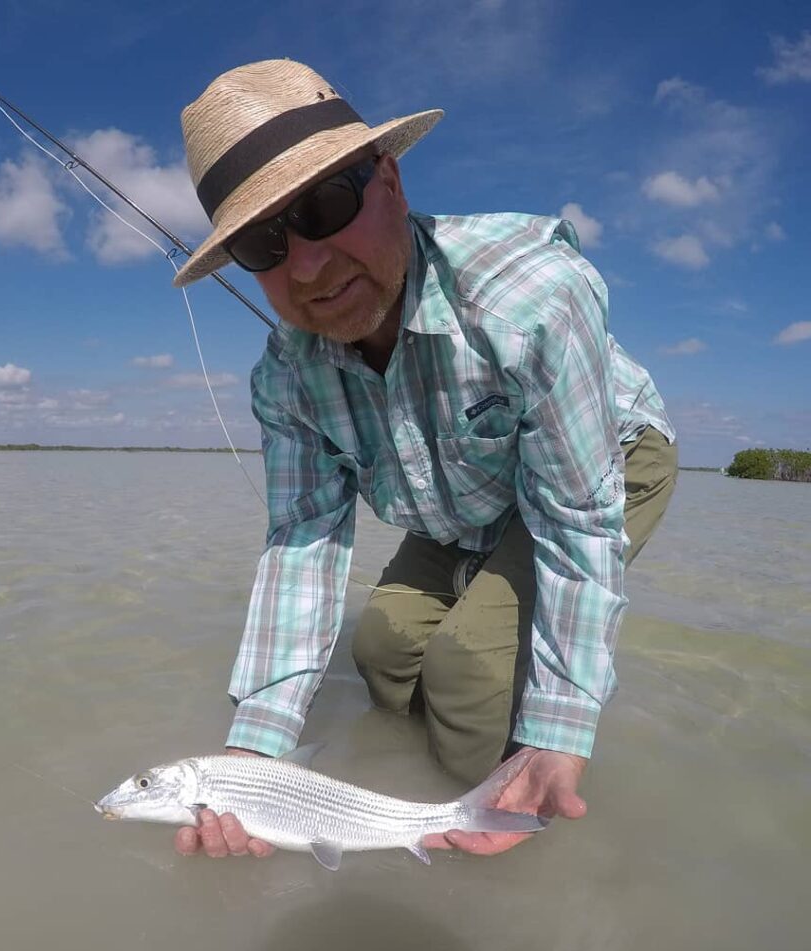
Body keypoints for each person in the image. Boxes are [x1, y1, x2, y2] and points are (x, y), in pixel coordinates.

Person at [169, 60, 678, 859]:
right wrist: (254, 754)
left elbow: (577, 518)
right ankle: (418, 794)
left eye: (325, 205)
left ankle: (497, 811)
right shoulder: (285, 379)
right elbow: (302, 541)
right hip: (461, 494)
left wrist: (559, 728)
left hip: (608, 457)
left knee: (468, 668)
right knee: (383, 649)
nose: (306, 267)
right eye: (263, 244)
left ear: (391, 181)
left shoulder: (534, 299)